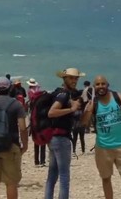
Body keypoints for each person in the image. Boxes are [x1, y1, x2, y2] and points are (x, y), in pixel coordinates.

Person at [82, 75, 121, 199]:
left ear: (107, 85)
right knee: (106, 178)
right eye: (98, 84)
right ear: (94, 87)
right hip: (103, 147)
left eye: (103, 84)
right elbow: (84, 123)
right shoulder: (93, 103)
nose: (100, 87)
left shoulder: (118, 97)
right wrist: (87, 110)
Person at [44, 67, 83, 199]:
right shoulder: (64, 94)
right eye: (71, 78)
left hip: (53, 138)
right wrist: (71, 109)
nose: (75, 81)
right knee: (64, 177)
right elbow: (51, 112)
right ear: (64, 78)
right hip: (61, 138)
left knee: (52, 176)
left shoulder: (58, 93)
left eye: (76, 78)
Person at [26, 78, 47, 167]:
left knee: (36, 141)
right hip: (42, 121)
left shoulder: (30, 93)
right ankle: (42, 160)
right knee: (43, 140)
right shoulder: (39, 93)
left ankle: (36, 161)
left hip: (34, 119)